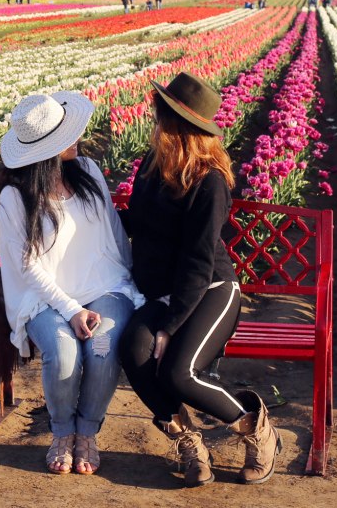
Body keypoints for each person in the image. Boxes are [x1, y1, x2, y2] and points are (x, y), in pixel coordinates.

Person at [118, 72, 281, 487]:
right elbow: (136, 221)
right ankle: (189, 440)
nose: (154, 121)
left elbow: (198, 259)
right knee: (133, 350)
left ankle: (256, 427)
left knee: (178, 373)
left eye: (161, 115)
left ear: (177, 126)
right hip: (164, 291)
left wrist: (170, 326)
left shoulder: (209, 181)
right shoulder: (152, 167)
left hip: (210, 290)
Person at [0, 92, 143, 476]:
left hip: (105, 286)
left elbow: (112, 231)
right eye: (67, 135)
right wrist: (72, 309)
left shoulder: (89, 171)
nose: (77, 138)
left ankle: (86, 433)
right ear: (48, 150)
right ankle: (62, 433)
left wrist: (131, 284)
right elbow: (27, 266)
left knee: (102, 347)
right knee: (63, 353)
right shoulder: (16, 197)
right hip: (45, 298)